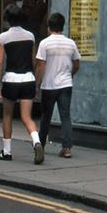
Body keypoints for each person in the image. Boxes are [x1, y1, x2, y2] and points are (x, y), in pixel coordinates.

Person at [0, 4, 44, 164]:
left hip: (11, 79)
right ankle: (36, 142)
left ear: (7, 19)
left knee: (7, 115)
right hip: (28, 79)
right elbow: (34, 60)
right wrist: (35, 84)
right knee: (26, 117)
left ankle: (6, 151)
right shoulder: (30, 36)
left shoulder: (2, 38)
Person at [35, 13, 81, 158]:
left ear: (49, 26)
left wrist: (37, 84)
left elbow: (41, 64)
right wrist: (70, 74)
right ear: (63, 26)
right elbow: (77, 63)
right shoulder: (70, 43)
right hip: (66, 84)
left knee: (45, 116)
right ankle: (67, 148)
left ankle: (41, 145)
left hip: (49, 86)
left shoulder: (45, 43)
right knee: (65, 116)